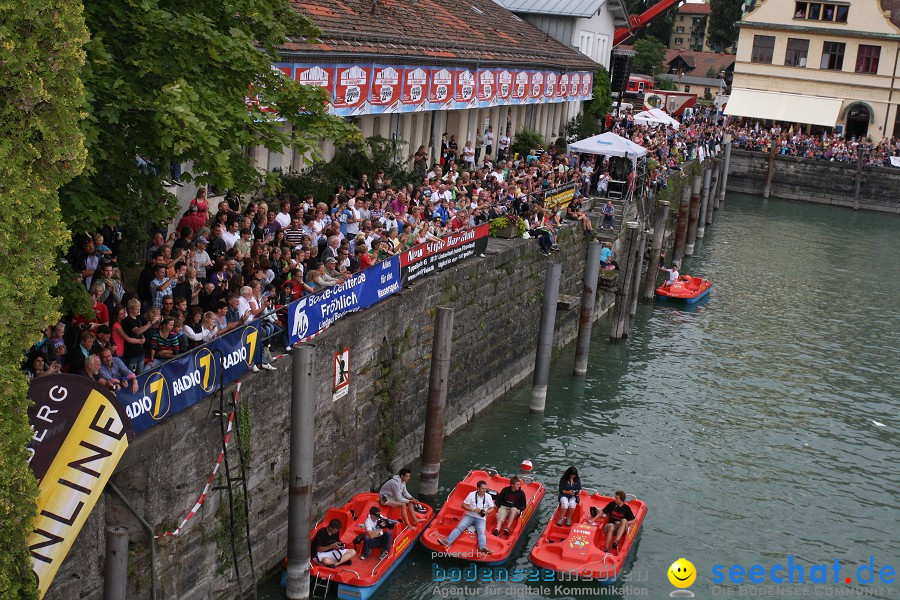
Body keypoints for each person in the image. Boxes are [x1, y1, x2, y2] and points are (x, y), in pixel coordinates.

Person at [438, 479, 494, 554]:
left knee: (481, 532)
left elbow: (492, 508)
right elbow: (463, 505)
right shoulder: (471, 494)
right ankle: (447, 542)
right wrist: (473, 509)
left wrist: (486, 512)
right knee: (460, 527)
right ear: (478, 488)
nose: (484, 490)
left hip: (481, 518)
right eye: (483, 488)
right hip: (470, 515)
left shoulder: (488, 496)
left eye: (485, 488)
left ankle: (483, 547)